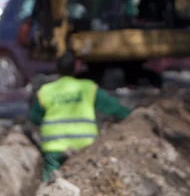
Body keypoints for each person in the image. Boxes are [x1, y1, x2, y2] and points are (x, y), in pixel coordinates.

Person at [29, 50, 132, 181]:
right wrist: (132, 116)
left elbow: (34, 118)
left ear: (57, 68)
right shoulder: (88, 88)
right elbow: (114, 108)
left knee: (51, 186)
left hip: (54, 150)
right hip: (84, 148)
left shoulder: (46, 91)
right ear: (76, 66)